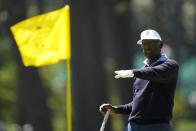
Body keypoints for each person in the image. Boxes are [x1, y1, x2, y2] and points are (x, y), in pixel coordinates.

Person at [99, 29, 179, 131]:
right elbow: (137, 104)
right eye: (144, 44)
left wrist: (133, 72)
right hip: (133, 126)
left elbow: (155, 73)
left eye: (152, 43)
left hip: (157, 127)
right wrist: (116, 109)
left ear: (161, 45)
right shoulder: (141, 72)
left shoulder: (170, 66)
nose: (148, 47)